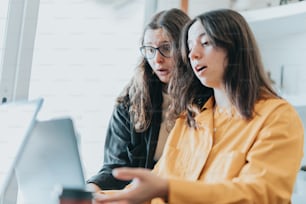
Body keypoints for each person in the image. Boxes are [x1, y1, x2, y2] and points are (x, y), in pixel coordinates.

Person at [93, 9, 304, 204]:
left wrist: (168, 189)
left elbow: (259, 194)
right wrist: (97, 197)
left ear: (235, 47)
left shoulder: (277, 117)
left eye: (205, 43)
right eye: (190, 45)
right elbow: (150, 187)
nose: (192, 54)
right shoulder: (191, 118)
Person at [87, 8, 190, 191]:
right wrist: (93, 188)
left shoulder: (207, 99)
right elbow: (116, 168)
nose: (157, 59)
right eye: (149, 49)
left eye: (166, 48)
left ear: (187, 48)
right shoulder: (131, 101)